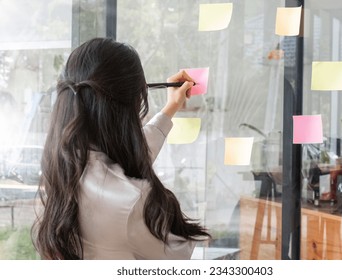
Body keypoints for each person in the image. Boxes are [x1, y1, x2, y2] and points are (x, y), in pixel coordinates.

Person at [32, 37, 210, 260]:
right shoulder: (131, 200)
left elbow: (116, 165)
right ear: (132, 107)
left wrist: (169, 110)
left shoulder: (60, 166)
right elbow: (176, 256)